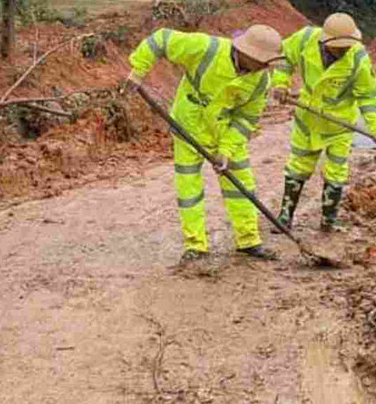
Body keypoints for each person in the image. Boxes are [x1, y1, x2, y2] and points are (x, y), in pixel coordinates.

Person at [121, 24, 285, 263]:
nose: (265, 67)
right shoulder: (206, 48)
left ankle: (249, 241)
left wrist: (226, 151)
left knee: (241, 184)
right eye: (262, 61)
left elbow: (246, 120)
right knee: (189, 188)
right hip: (189, 125)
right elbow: (161, 39)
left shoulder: (261, 80)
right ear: (248, 54)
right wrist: (138, 71)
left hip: (224, 130)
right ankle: (196, 246)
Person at [269, 13, 376, 233]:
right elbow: (284, 58)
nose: (343, 50)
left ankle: (328, 222)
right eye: (339, 47)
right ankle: (285, 217)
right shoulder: (305, 39)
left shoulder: (357, 57)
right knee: (298, 166)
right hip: (308, 119)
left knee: (336, 171)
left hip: (339, 125)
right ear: (325, 41)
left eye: (347, 46)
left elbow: (370, 96)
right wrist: (280, 84)